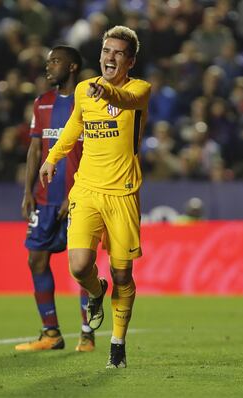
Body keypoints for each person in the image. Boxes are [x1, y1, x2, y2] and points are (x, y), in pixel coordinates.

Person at [39, 26, 151, 368]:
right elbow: (74, 126)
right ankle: (96, 291)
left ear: (129, 61)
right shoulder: (85, 90)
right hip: (86, 189)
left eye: (118, 53)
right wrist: (52, 158)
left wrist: (108, 94)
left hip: (123, 193)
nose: (110, 58)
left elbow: (125, 100)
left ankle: (117, 343)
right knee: (79, 266)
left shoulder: (139, 89)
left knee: (122, 275)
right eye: (107, 52)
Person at [15, 46, 95, 353]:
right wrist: (27, 191)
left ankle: (87, 333)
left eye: (55, 61)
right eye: (48, 62)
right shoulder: (42, 103)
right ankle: (51, 333)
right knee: (36, 260)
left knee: (81, 267)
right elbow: (36, 150)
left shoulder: (88, 102)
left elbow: (93, 153)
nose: (49, 67)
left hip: (79, 199)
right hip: (45, 199)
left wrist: (76, 192)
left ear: (72, 66)